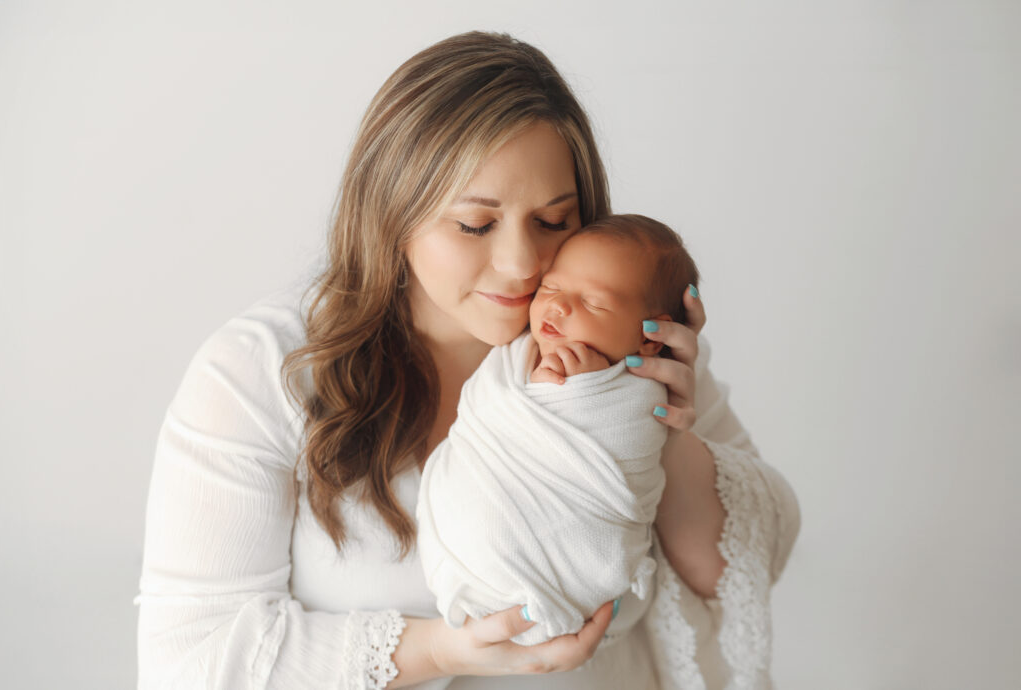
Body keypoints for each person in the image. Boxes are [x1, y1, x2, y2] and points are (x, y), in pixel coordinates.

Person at [135, 31, 801, 690]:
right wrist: (442, 651)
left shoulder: (620, 341)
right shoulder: (260, 371)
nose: (520, 266)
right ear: (392, 214)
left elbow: (742, 572)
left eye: (552, 221)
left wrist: (661, 427)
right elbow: (187, 664)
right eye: (475, 225)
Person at [416, 215, 702, 648]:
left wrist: (580, 396)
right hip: (463, 560)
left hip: (569, 569)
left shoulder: (643, 393)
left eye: (593, 303)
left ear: (649, 339)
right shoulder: (516, 356)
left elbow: (719, 573)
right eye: (550, 287)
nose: (557, 306)